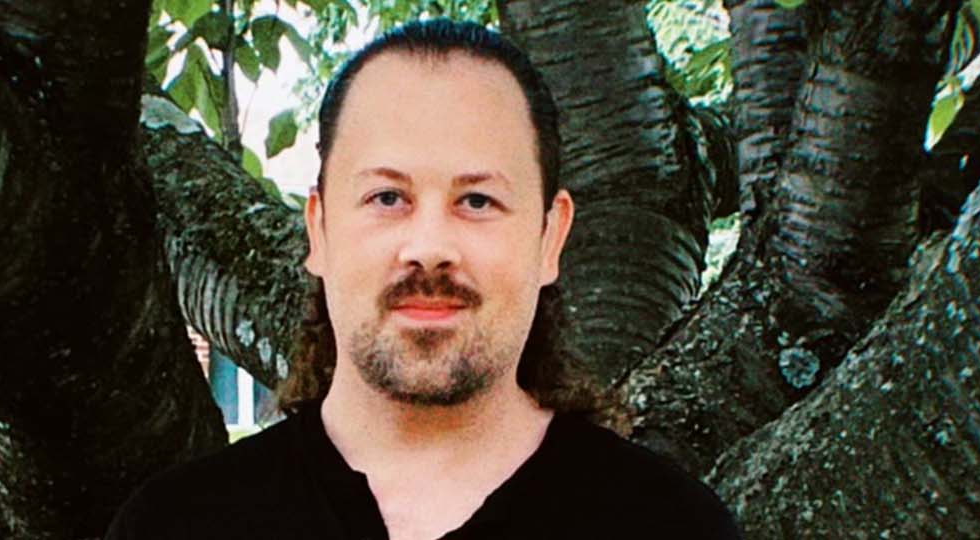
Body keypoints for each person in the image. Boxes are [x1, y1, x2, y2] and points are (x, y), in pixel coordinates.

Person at [108, 19, 740, 540]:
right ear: (320, 231)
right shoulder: (174, 526)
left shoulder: (672, 526)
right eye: (388, 197)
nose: (430, 248)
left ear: (551, 237)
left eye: (477, 201)